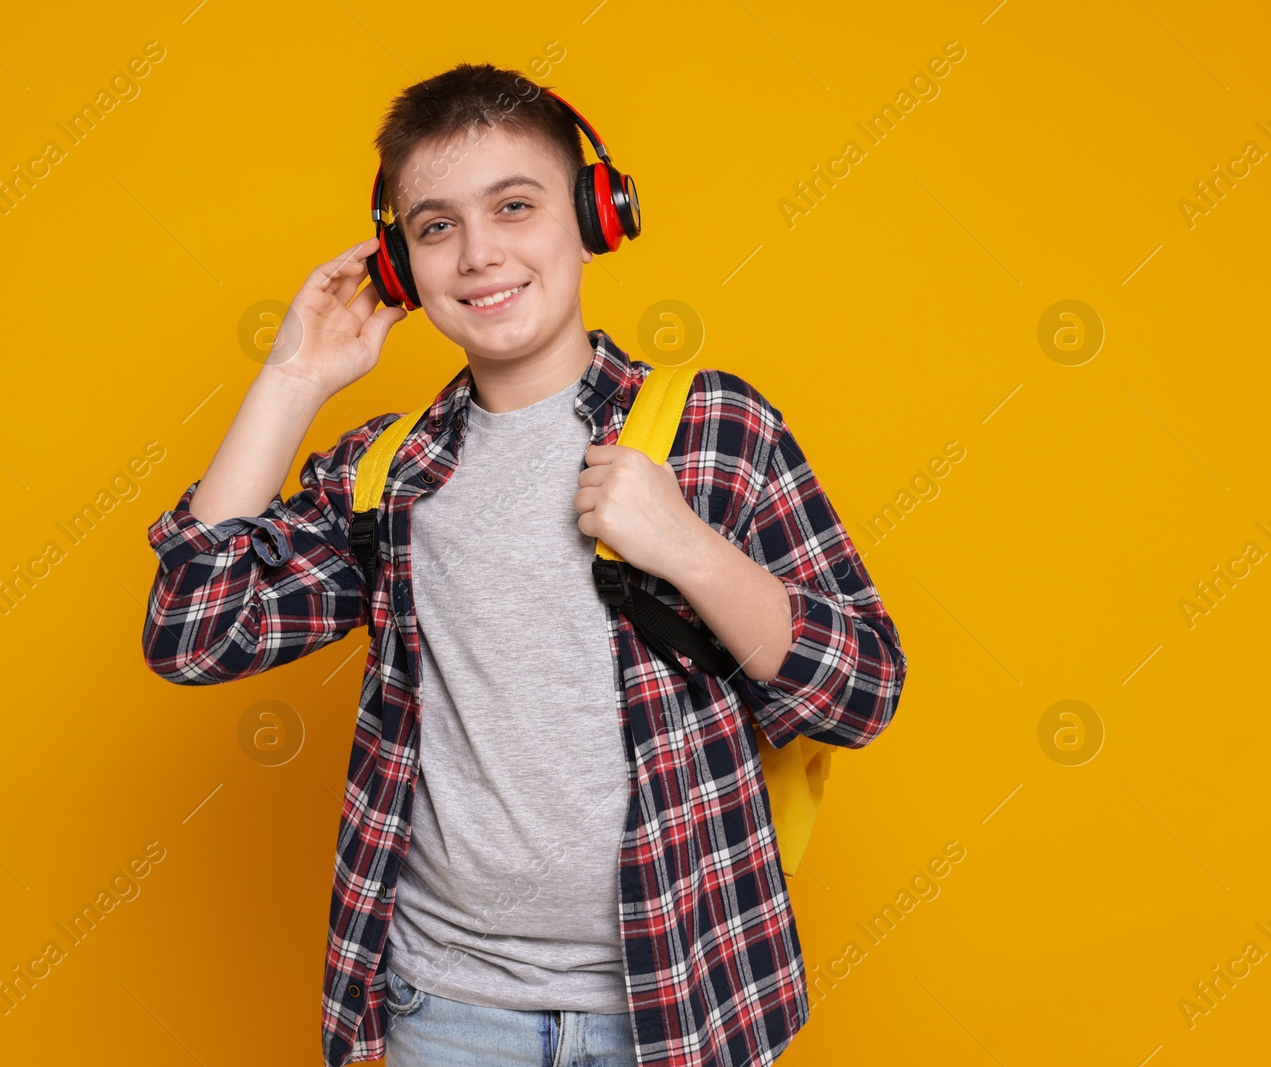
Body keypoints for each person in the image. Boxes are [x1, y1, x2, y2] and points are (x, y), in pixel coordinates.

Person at [143, 63, 909, 1067]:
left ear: (595, 215)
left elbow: (862, 692)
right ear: (399, 264)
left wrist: (685, 544)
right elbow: (193, 633)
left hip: (679, 994)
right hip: (449, 1005)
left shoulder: (715, 427)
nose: (477, 254)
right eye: (433, 226)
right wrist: (293, 377)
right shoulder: (390, 472)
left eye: (514, 205)